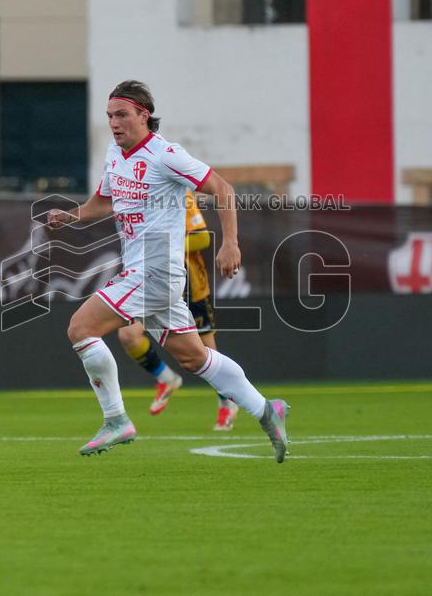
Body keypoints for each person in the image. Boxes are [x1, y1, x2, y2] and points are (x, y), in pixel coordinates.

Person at [47, 79, 289, 461]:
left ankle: (116, 420)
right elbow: (102, 203)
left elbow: (223, 189)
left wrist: (230, 243)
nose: (114, 123)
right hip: (148, 272)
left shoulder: (167, 155)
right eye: (110, 116)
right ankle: (265, 408)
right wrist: (70, 216)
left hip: (155, 269)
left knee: (80, 327)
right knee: (193, 357)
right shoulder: (115, 153)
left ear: (144, 115)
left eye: (122, 114)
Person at [116, 189, 239, 430]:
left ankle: (228, 402)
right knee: (128, 334)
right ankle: (166, 378)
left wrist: (163, 244)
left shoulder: (180, 193)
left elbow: (202, 237)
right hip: (151, 282)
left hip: (189, 284)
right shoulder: (136, 192)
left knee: (206, 351)